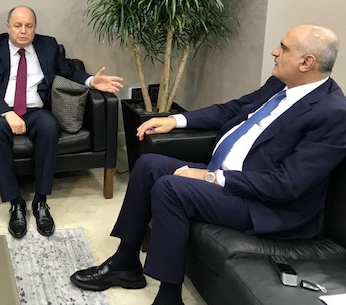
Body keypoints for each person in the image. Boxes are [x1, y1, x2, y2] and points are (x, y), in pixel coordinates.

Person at [70, 24, 346, 305]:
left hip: (267, 205)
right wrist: (175, 120)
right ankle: (125, 262)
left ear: (306, 62)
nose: (275, 51)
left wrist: (211, 178)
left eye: (284, 48)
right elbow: (233, 109)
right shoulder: (280, 85)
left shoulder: (332, 113)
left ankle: (168, 298)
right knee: (148, 165)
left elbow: (287, 185)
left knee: (171, 188)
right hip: (231, 179)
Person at [0, 6, 123, 238]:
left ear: (35, 28)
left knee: (49, 127)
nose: (23, 31)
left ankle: (41, 201)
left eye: (29, 26)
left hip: (35, 110)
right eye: (18, 26)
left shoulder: (48, 45)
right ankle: (16, 203)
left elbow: (68, 72)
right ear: (8, 27)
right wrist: (6, 113)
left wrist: (92, 81)